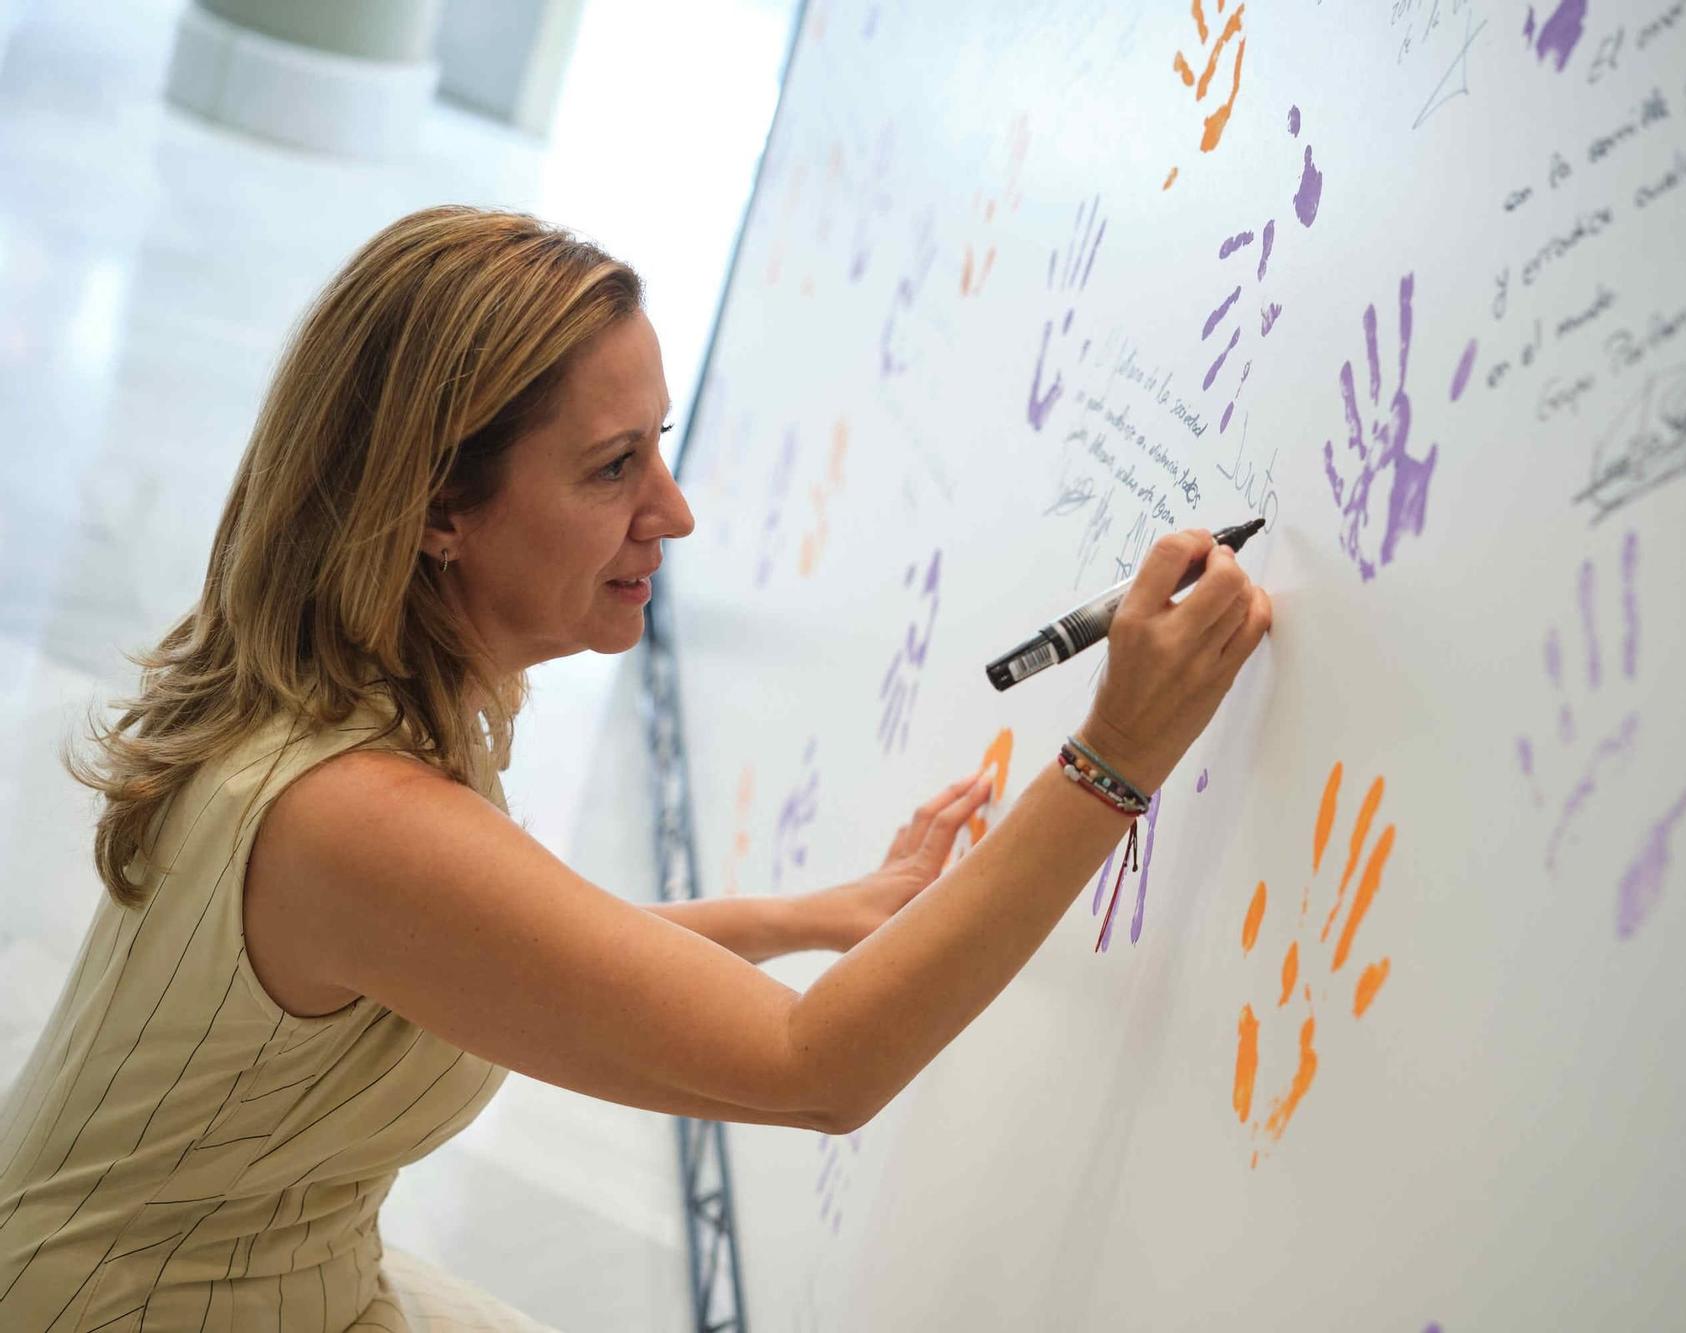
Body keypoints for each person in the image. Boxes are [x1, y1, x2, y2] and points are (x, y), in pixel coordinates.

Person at [0, 206, 1273, 1330]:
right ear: (438, 509)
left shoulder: (363, 703)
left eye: (658, 445)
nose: (673, 511)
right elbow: (814, 1073)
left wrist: (818, 914)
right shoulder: (353, 815)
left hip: (272, 1275)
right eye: (614, 467)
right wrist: (1116, 757)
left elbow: (510, 943)